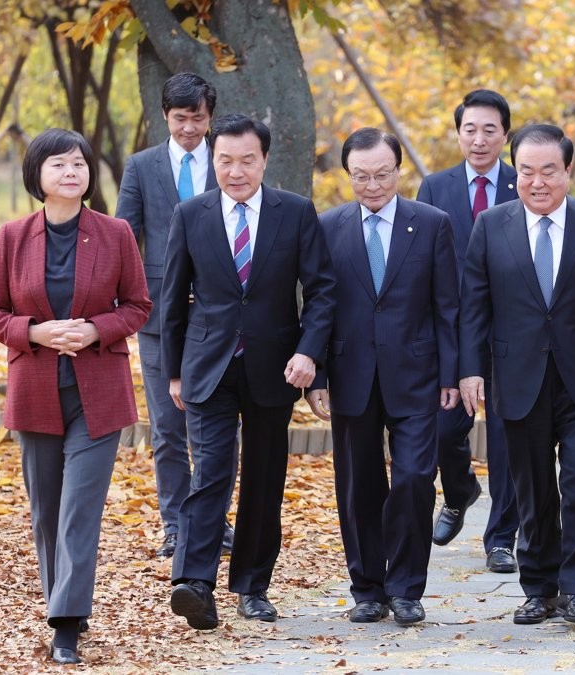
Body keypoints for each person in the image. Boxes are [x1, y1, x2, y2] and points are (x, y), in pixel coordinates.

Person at [0, 128, 151, 664]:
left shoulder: (115, 233)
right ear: (38, 175)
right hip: (35, 389)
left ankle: (67, 623)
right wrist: (35, 332)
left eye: (78, 163)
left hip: (99, 392)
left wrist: (96, 329)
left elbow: (138, 305)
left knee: (79, 509)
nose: (70, 172)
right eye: (58, 164)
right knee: (47, 511)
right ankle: (63, 600)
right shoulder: (11, 237)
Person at [162, 114, 335, 630]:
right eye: (225, 161)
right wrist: (174, 372)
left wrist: (309, 354)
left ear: (264, 160)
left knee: (264, 478)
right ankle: (194, 583)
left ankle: (253, 587)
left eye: (247, 161)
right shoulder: (190, 214)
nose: (235, 172)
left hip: (275, 368)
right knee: (210, 472)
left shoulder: (295, 212)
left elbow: (321, 291)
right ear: (211, 160)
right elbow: (172, 300)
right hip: (207, 367)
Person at [460, 124, 575, 626]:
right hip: (517, 377)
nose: (537, 182)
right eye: (527, 171)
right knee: (531, 489)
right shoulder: (491, 224)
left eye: (549, 171)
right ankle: (539, 588)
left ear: (568, 170)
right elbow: (474, 306)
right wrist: (471, 370)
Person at [305, 128, 460, 626]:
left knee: (414, 477)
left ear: (399, 170)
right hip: (350, 373)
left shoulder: (431, 224)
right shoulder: (327, 226)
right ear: (347, 175)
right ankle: (368, 588)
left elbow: (447, 306)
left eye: (382, 175)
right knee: (359, 485)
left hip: (418, 374)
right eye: (361, 177)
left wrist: (452, 373)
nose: (372, 186)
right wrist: (316, 375)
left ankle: (407, 587)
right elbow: (317, 306)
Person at [115, 72, 235, 559]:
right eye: (181, 118)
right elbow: (125, 237)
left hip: (219, 314)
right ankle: (173, 524)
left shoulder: (227, 162)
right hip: (158, 315)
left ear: (210, 117)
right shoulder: (141, 166)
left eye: (198, 119)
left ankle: (214, 520)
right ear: (165, 115)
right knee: (167, 427)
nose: (189, 128)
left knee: (218, 426)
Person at [415, 89, 520, 573]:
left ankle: (501, 539)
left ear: (505, 135)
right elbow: (419, 262)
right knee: (442, 428)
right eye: (470, 129)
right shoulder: (435, 187)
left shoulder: (525, 182)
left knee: (506, 439)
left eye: (489, 130)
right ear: (458, 134)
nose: (479, 139)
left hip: (510, 330)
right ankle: (459, 492)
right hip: (452, 331)